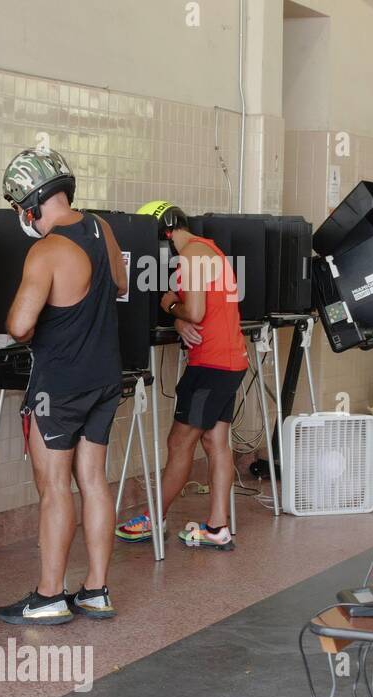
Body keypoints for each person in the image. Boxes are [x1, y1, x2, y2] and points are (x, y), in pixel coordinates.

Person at [0, 148, 127, 626]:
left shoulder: (46, 250)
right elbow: (119, 281)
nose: (20, 218)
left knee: (54, 489)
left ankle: (50, 595)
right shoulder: (101, 229)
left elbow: (19, 326)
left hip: (59, 385)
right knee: (93, 481)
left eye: (18, 208)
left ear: (32, 205)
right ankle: (95, 590)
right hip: (105, 378)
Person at [115, 202, 247, 551]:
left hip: (211, 365)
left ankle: (151, 519)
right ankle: (218, 527)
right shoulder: (210, 250)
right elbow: (206, 308)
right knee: (215, 442)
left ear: (164, 233)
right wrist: (179, 317)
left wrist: (169, 305)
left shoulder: (190, 255)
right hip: (230, 360)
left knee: (179, 442)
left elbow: (197, 310)